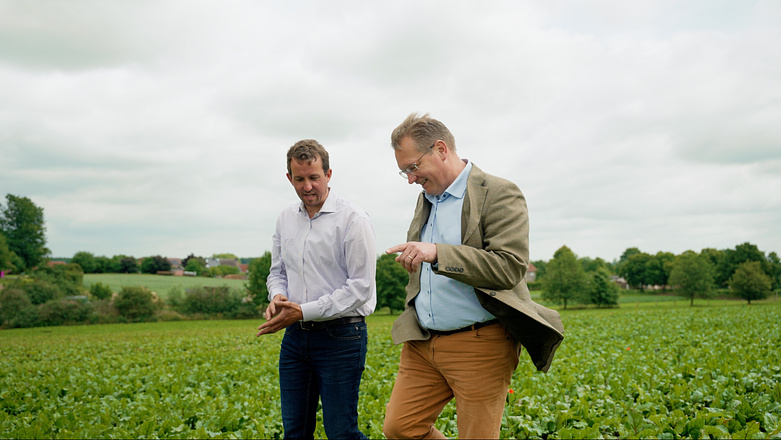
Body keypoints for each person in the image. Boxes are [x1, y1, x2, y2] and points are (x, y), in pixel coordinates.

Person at [382, 113, 565, 439]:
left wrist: (438, 253)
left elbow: (509, 267)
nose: (410, 179)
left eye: (413, 167)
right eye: (404, 171)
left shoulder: (499, 192)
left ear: (440, 149)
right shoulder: (426, 198)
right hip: (422, 343)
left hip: (479, 343)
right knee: (400, 428)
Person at [256, 139, 376, 440]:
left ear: (328, 174)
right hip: (295, 338)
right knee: (295, 433)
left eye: (314, 177)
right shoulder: (285, 219)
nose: (307, 186)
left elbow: (360, 287)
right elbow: (278, 272)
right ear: (289, 178)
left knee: (341, 434)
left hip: (342, 336)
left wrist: (303, 311)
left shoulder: (353, 220)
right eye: (299, 179)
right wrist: (278, 296)